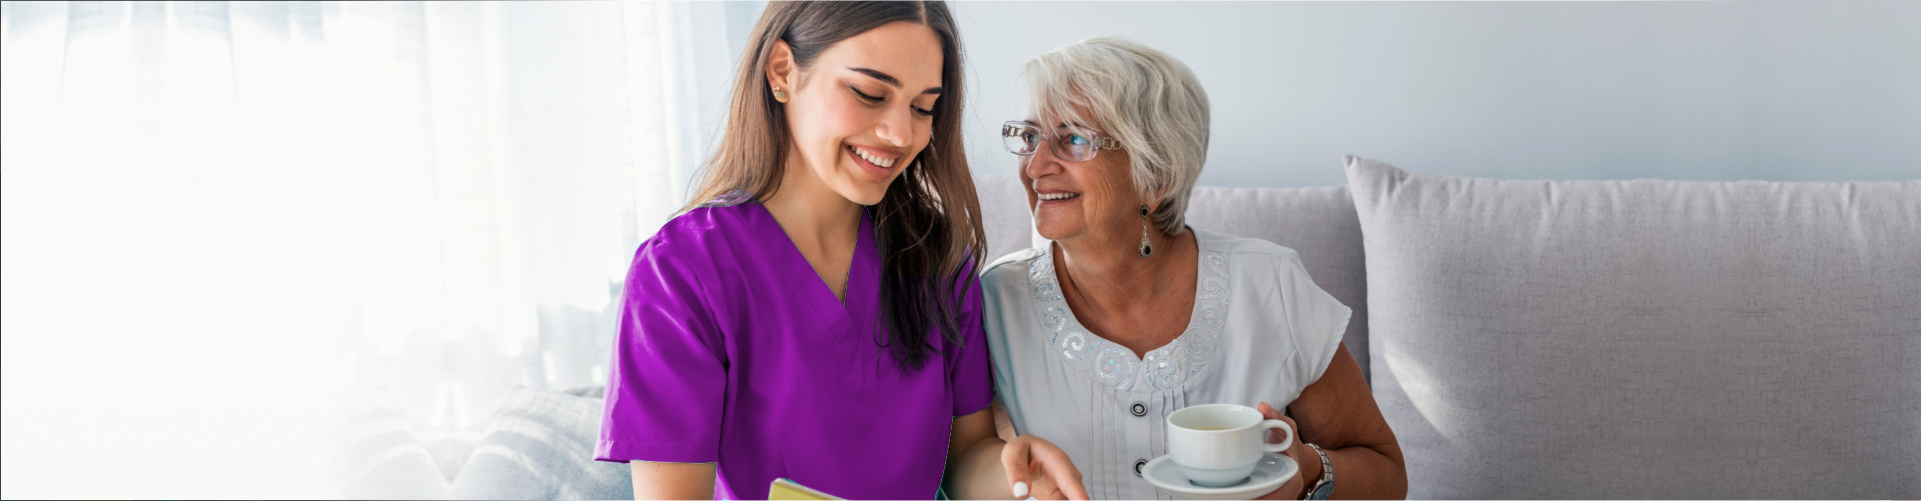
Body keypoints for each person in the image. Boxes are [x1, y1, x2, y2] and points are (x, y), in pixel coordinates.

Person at [593, 3, 1075, 499]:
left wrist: (1020, 481)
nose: (900, 135)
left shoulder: (939, 258)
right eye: (869, 94)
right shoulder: (681, 271)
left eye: (922, 107)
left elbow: (967, 457)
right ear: (782, 71)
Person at [980, 37, 1409, 500]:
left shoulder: (1269, 285)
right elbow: (959, 460)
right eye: (1028, 138)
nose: (1035, 166)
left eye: (1074, 139)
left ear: (1157, 175)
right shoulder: (995, 301)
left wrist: (1308, 472)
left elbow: (1386, 474)